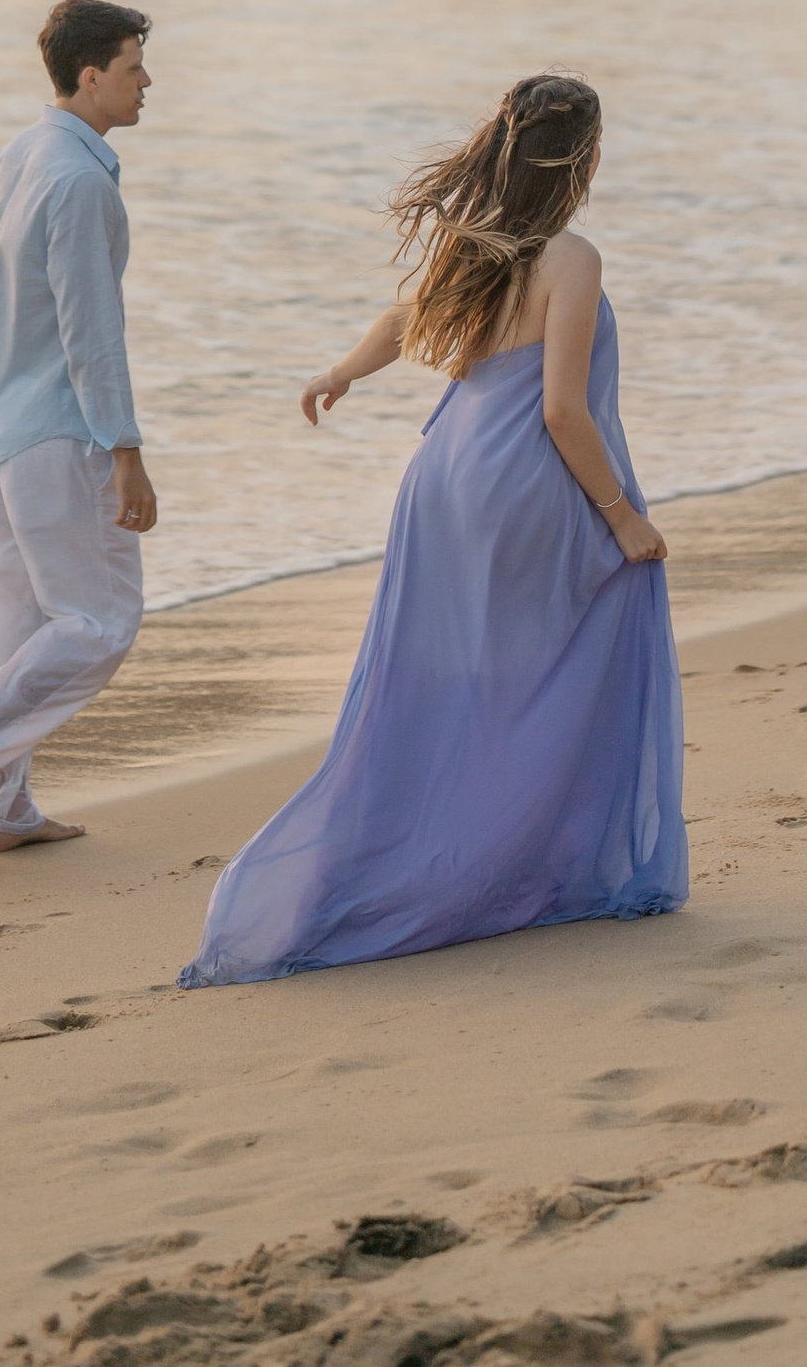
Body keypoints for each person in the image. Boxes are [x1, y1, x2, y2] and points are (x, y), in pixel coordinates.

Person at [180, 69, 685, 983]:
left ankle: (410, 856)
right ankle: (525, 864)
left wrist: (338, 373)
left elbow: (403, 319)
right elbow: (564, 412)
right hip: (527, 482)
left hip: (442, 478)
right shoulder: (571, 258)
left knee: (441, 679)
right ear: (582, 157)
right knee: (569, 656)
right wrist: (623, 520)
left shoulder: (473, 241)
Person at [0, 0, 158, 854]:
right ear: (90, 76)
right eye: (133, 68)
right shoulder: (80, 180)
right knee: (98, 621)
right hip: (55, 428)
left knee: (14, 631)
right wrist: (126, 452)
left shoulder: (18, 154)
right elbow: (92, 331)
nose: (146, 83)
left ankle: (5, 806)